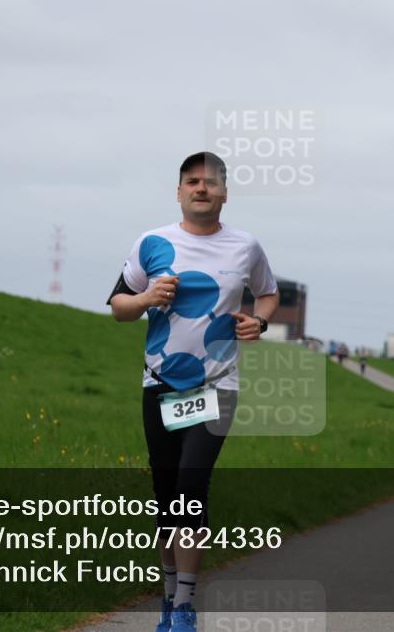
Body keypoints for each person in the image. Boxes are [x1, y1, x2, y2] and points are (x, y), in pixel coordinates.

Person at [108, 151, 279, 632]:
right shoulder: (152, 242)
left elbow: (268, 292)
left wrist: (260, 320)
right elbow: (119, 306)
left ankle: (184, 604)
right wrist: (145, 298)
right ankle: (169, 598)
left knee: (190, 488)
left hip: (216, 386)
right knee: (166, 496)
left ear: (224, 193)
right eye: (192, 181)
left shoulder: (245, 247)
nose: (201, 188)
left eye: (211, 182)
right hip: (160, 384)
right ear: (178, 191)